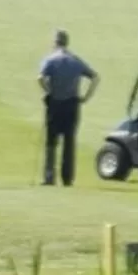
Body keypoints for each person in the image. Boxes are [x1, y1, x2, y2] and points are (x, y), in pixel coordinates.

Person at [37, 29, 98, 188]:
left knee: (51, 141)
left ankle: (49, 177)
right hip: (72, 104)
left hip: (55, 104)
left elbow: (40, 78)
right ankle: (67, 178)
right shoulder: (75, 61)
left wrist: (48, 91)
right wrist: (86, 97)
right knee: (69, 141)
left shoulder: (50, 60)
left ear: (55, 42)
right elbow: (95, 77)